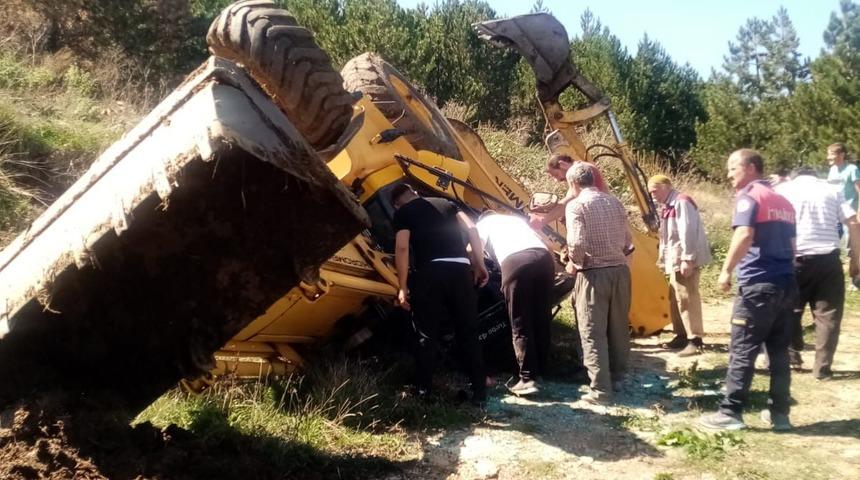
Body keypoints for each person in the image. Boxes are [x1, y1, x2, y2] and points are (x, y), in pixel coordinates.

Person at [699, 149, 797, 432]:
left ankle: (730, 412)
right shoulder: (783, 201)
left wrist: (726, 270)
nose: (729, 173)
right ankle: (780, 414)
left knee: (742, 348)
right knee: (778, 352)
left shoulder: (750, 197)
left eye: (733, 167)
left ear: (751, 167)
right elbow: (793, 248)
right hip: (785, 283)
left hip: (758, 285)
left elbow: (744, 234)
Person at [391, 183, 489, 404]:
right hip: (461, 270)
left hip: (431, 272)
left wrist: (402, 286)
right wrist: (479, 263)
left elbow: (402, 247)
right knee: (468, 331)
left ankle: (423, 391)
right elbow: (473, 229)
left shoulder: (403, 213)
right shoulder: (446, 203)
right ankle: (479, 393)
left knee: (427, 333)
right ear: (415, 193)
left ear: (397, 205)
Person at [775, 166, 860, 379]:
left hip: (794, 258)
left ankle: (792, 355)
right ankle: (822, 369)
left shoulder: (783, 190)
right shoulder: (831, 190)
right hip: (827, 259)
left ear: (794, 177)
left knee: (789, 309)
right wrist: (856, 258)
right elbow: (853, 221)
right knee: (828, 315)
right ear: (815, 176)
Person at [564, 162, 633, 405]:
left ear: (574, 183)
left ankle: (601, 390)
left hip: (594, 274)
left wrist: (574, 262)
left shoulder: (576, 205)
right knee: (618, 327)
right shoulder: (615, 202)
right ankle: (619, 377)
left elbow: (577, 242)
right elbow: (628, 241)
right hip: (620, 271)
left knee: (592, 332)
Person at [476, 211, 555, 396]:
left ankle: (528, 379)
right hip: (544, 259)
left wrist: (479, 269)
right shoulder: (516, 221)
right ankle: (543, 371)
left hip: (516, 263)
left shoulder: (482, 224)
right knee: (542, 317)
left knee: (520, 321)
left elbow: (474, 249)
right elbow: (549, 245)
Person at [648, 174, 712, 357]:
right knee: (675, 297)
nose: (653, 196)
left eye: (655, 191)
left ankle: (695, 340)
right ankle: (681, 335)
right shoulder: (669, 204)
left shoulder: (681, 202)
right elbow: (668, 236)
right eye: (651, 192)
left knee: (687, 297)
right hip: (675, 260)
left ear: (665, 187)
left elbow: (687, 231)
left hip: (683, 259)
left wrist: (688, 259)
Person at [529, 153, 608, 229]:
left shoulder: (580, 171)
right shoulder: (581, 169)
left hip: (602, 221)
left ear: (562, 164)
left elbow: (569, 201)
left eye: (556, 175)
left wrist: (542, 221)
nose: (558, 180)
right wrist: (548, 208)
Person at [826, 143, 860, 278]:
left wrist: (859, 211)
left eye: (831, 154)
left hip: (849, 212)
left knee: (851, 245)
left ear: (842, 155)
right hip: (834, 212)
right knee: (831, 242)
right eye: (828, 154)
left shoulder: (852, 169)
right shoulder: (832, 170)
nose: (828, 157)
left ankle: (855, 274)